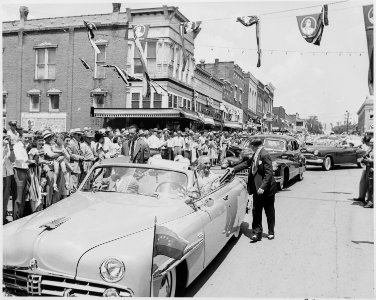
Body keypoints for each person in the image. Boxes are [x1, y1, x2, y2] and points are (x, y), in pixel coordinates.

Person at [231, 138, 277, 241]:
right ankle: (257, 233)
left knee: (269, 211)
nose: (250, 147)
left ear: (253, 146)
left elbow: (269, 173)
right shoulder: (256, 154)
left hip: (266, 189)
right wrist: (233, 169)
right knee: (256, 211)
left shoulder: (264, 155)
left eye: (250, 146)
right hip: (257, 188)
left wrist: (262, 187)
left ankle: (271, 232)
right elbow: (247, 163)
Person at [66, 128, 84, 192]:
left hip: (78, 167)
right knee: (73, 186)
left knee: (76, 185)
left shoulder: (78, 143)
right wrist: (79, 157)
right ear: (74, 135)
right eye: (78, 135)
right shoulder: (71, 143)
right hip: (73, 167)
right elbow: (69, 154)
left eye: (80, 135)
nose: (80, 136)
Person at [3, 134, 15, 224]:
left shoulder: (7, 147)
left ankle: (3, 218)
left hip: (7, 174)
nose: (5, 139)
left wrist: (10, 147)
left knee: (5, 199)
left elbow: (12, 159)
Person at [363, 138, 374, 208]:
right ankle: (369, 200)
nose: (371, 144)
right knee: (369, 186)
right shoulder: (370, 149)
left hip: (372, 168)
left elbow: (372, 159)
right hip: (369, 168)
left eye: (372, 142)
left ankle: (371, 202)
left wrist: (371, 160)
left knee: (371, 187)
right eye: (370, 142)